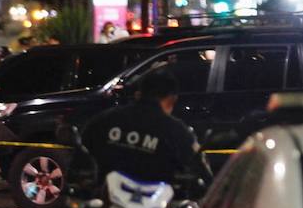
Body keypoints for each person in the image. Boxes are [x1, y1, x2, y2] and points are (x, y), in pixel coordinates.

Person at [73, 68, 211, 197]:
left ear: (139, 94)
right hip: (153, 207)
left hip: (107, 202)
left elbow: (81, 157)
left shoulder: (104, 120)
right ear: (172, 100)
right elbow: (198, 167)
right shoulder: (176, 130)